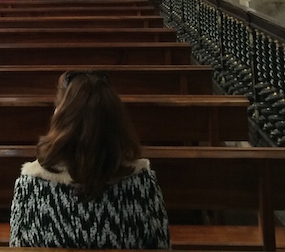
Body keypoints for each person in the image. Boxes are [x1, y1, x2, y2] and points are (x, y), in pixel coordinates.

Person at [10, 70, 170, 249]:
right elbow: (162, 246)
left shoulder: (30, 185)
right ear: (117, 122)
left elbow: (18, 246)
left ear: (59, 117)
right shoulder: (143, 183)